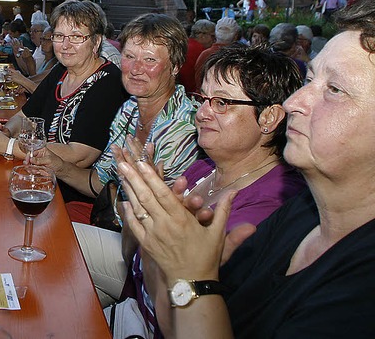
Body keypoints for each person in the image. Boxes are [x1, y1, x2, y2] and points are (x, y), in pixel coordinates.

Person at [113, 0, 375, 339]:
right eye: (310, 80)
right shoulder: (301, 214)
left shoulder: (360, 287)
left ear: (267, 118)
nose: (295, 103)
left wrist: (181, 266)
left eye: (334, 89)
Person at [109, 45, 306, 337]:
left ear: (269, 117)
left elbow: (179, 323)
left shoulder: (268, 206)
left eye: (221, 103)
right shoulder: (204, 167)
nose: (200, 114)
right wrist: (138, 203)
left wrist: (148, 226)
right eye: (202, 99)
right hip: (133, 297)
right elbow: (131, 255)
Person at [30, 12, 199, 223]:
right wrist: (57, 165)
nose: (136, 69)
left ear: (174, 67)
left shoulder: (183, 126)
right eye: (129, 57)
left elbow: (157, 218)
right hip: (118, 224)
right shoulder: (129, 109)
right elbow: (100, 182)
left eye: (149, 60)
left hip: (150, 242)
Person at [0, 0, 129, 201]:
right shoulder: (62, 71)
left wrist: (7, 146)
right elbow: (25, 115)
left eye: (76, 37)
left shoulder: (109, 83)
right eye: (59, 36)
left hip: (71, 198)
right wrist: (7, 131)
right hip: (38, 181)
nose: (65, 45)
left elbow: (79, 156)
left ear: (96, 41)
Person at [8, 26, 58, 93]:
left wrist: (22, 80)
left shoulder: (54, 62)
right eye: (42, 39)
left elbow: (42, 88)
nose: (43, 42)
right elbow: (38, 78)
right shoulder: (46, 58)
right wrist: (20, 81)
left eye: (48, 40)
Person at [194, 17, 239, 87]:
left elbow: (198, 82)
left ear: (215, 34)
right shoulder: (239, 56)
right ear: (236, 36)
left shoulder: (205, 54)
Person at [177, 19, 215, 94]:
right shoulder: (201, 51)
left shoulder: (185, 44)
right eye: (212, 36)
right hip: (192, 93)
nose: (214, 40)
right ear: (202, 35)